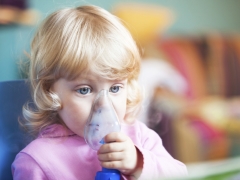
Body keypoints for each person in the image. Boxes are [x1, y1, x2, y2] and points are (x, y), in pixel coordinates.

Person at [12, 5, 187, 180]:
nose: (104, 104)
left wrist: (137, 163)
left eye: (115, 88)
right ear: (49, 91)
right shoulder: (37, 161)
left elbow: (180, 175)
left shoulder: (139, 136)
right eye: (84, 90)